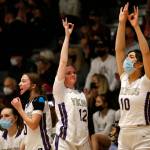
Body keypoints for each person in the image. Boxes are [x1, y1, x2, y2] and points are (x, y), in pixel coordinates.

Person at [115, 2, 150, 149]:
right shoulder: (124, 78)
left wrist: (136, 27)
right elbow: (119, 50)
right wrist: (122, 23)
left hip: (142, 133)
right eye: (127, 57)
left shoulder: (145, 81)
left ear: (140, 64)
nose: (126, 61)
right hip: (123, 133)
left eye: (131, 58)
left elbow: (146, 53)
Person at [52, 18, 91, 150]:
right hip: (65, 140)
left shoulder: (81, 95)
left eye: (74, 72)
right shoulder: (59, 90)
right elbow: (63, 62)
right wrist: (67, 36)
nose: (72, 74)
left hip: (83, 141)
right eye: (68, 73)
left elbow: (85, 122)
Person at [11, 73, 52, 150]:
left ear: (33, 86)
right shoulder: (28, 104)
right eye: (20, 81)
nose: (20, 84)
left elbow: (33, 125)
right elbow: (28, 131)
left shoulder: (40, 100)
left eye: (23, 81)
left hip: (41, 146)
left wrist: (19, 109)